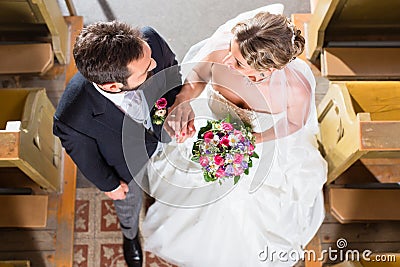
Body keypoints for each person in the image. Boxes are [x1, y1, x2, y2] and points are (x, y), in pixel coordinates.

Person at [142, 4, 327, 266]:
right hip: (210, 125)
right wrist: (183, 101)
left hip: (259, 142)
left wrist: (255, 141)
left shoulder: (296, 91)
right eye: (231, 50)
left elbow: (294, 123)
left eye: (238, 62)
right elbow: (198, 75)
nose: (227, 61)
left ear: (266, 71)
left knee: (244, 199)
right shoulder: (223, 52)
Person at [53, 21, 188, 267]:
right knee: (129, 205)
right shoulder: (72, 118)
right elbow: (87, 158)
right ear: (113, 86)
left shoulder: (150, 42)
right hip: (126, 167)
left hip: (165, 137)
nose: (154, 64)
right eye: (147, 69)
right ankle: (130, 235)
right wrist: (111, 185)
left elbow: (171, 70)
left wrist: (176, 105)